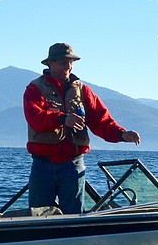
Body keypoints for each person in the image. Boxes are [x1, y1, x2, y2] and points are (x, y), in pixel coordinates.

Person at [23, 42, 140, 214]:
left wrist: (122, 134)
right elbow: (35, 118)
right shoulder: (35, 89)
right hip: (43, 165)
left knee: (73, 216)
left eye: (71, 62)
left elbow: (101, 120)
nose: (68, 66)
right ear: (51, 63)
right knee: (38, 216)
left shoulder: (83, 90)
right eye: (64, 62)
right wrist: (62, 119)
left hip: (73, 165)